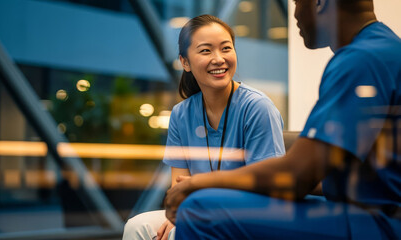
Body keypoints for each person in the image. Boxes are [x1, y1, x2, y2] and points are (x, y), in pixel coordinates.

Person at [164, 0, 401, 239]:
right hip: (367, 212)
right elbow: (320, 174)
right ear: (185, 61)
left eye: (297, 2)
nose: (295, 14)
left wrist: (200, 184)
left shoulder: (361, 61)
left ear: (320, 3)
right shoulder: (380, 50)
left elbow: (297, 177)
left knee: (201, 210)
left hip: (379, 223)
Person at [122, 15, 285, 240]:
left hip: (248, 216)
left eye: (226, 48)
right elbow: (178, 187)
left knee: (179, 232)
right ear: (185, 62)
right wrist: (177, 214)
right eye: (206, 51)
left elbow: (268, 190)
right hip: (199, 210)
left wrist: (197, 202)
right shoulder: (181, 114)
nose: (219, 59)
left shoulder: (258, 107)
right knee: (136, 226)